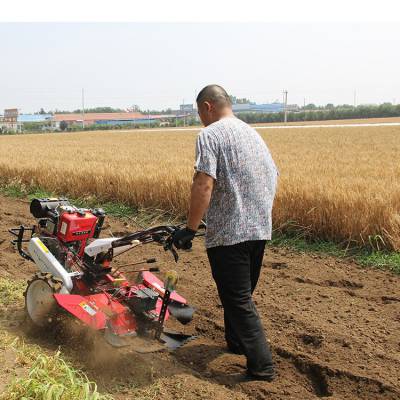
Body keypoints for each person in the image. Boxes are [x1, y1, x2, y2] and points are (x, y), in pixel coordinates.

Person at [173, 84, 278, 381]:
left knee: (238, 300)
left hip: (230, 235)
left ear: (207, 107)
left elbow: (203, 183)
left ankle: (262, 367)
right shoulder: (252, 134)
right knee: (240, 293)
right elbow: (273, 176)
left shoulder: (210, 135)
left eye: (198, 113)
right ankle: (236, 342)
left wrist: (190, 229)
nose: (199, 119)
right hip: (259, 229)